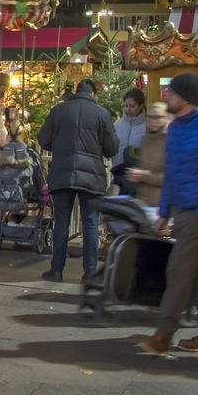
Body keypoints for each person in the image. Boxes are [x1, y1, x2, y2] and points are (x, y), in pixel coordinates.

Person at [139, 73, 198, 355]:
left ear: (185, 97)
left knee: (178, 270)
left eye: (172, 92)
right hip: (183, 208)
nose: (166, 95)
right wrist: (165, 210)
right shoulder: (177, 126)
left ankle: (164, 335)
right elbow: (173, 173)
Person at [37, 78, 119, 283]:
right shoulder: (102, 114)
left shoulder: (59, 111)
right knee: (90, 223)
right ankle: (90, 273)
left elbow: (43, 140)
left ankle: (56, 270)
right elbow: (111, 149)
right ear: (93, 94)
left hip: (62, 173)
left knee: (62, 222)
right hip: (91, 177)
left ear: (76, 92)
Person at [125, 102, 170, 208]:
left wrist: (143, 175)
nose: (154, 121)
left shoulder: (170, 141)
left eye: (158, 117)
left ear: (167, 118)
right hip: (144, 203)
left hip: (162, 205)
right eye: (151, 117)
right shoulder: (146, 139)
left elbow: (170, 176)